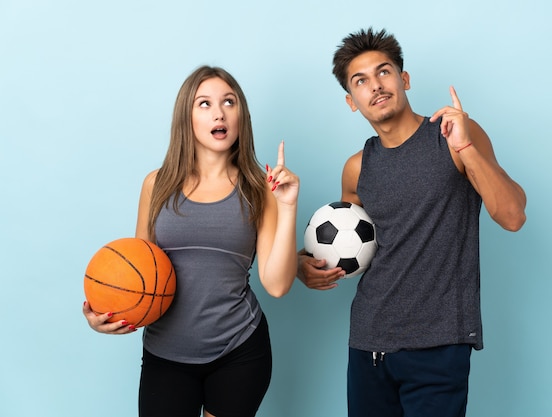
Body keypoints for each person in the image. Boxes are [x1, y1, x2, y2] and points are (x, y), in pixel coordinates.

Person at [298, 28, 527, 417]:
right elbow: (346, 243)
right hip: (368, 342)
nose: (376, 86)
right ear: (352, 101)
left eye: (383, 72)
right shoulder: (357, 168)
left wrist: (466, 148)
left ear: (404, 79)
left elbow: (512, 216)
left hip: (439, 344)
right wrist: (303, 264)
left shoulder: (454, 136)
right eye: (361, 81)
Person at [83, 65, 300, 417]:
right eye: (205, 104)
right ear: (186, 117)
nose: (219, 112)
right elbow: (137, 274)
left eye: (229, 102)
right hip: (165, 354)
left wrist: (287, 206)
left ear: (241, 114)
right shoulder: (156, 184)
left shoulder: (260, 188)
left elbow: (276, 285)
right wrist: (107, 313)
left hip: (240, 349)